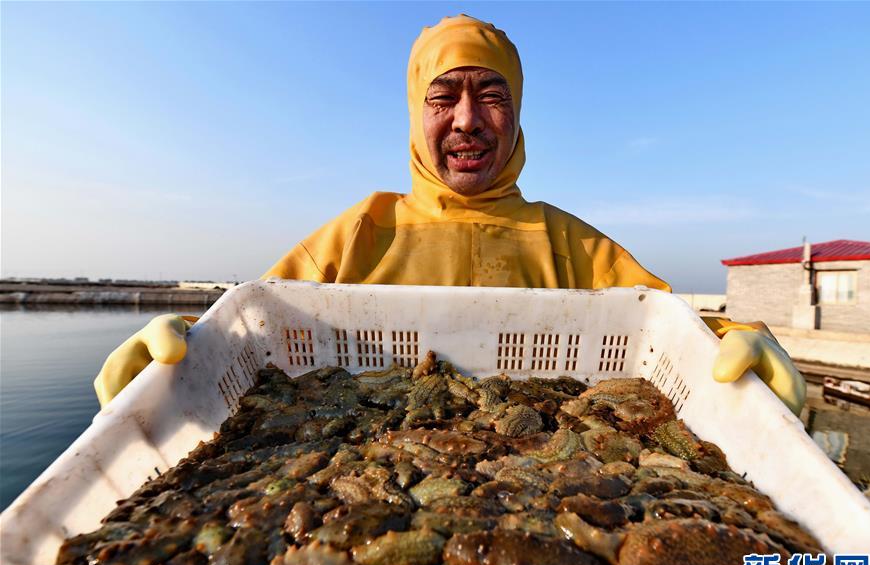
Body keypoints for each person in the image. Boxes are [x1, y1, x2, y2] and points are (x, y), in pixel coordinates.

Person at [94, 15, 805, 415]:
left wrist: (744, 342)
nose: (468, 120)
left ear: (518, 113)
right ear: (416, 113)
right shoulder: (360, 232)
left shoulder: (571, 244)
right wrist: (180, 346)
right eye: (445, 97)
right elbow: (249, 329)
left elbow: (674, 330)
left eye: (491, 95)